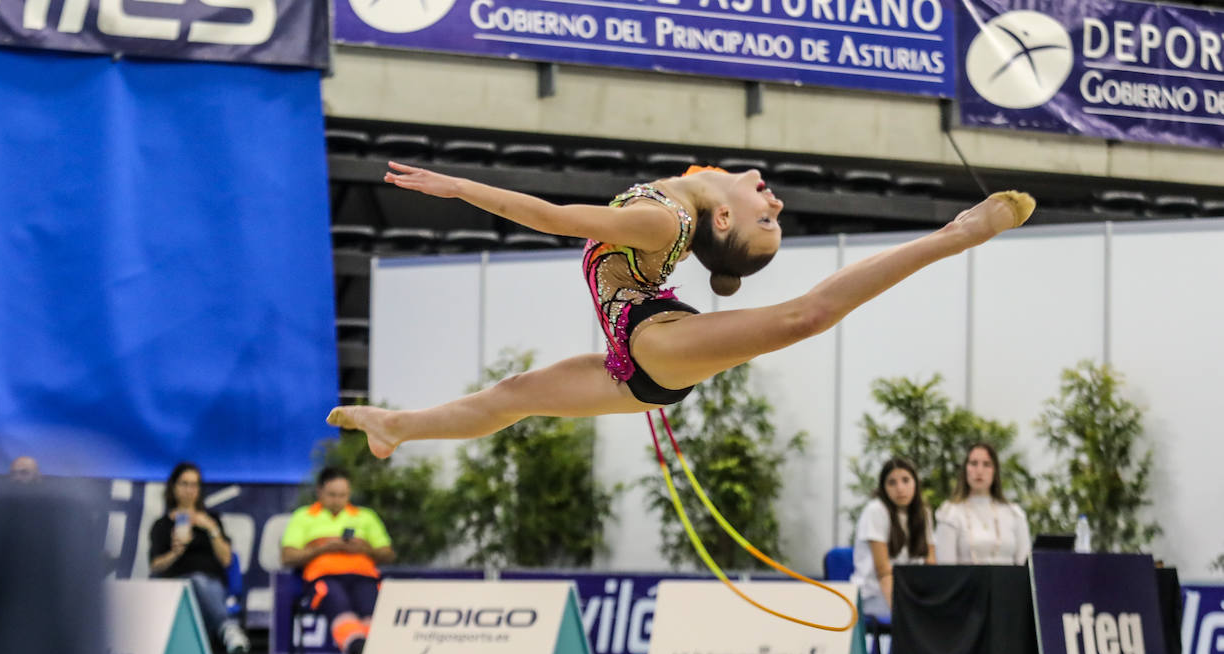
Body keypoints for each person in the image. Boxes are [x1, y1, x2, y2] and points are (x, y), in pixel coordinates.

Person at [327, 162, 1035, 457]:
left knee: (803, 317)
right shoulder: (692, 192)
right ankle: (396, 426)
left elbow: (548, 215)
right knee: (512, 397)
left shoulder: (664, 222)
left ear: (722, 217)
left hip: (653, 338)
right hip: (632, 359)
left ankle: (956, 234)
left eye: (765, 217)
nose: (776, 201)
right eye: (773, 213)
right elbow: (706, 181)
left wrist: (460, 188)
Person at [935, 442, 1033, 654]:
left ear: (995, 471)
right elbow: (946, 568)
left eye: (986, 464)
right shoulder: (950, 513)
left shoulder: (1014, 513)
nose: (979, 470)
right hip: (967, 599)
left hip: (1009, 599)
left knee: (1017, 617)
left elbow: (1024, 561)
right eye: (973, 463)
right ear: (965, 470)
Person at [851, 457, 937, 654]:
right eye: (892, 482)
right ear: (883, 487)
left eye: (905, 481)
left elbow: (931, 565)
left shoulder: (923, 512)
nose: (900, 488)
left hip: (910, 595)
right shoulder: (875, 511)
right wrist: (903, 612)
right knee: (914, 623)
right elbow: (883, 571)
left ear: (915, 484)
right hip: (874, 596)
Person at [280, 467, 395, 654]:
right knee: (337, 600)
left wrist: (363, 549)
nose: (337, 500)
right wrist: (323, 549)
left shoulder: (365, 516)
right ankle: (356, 648)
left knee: (371, 607)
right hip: (323, 578)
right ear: (319, 491)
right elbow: (287, 557)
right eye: (332, 495)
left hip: (364, 577)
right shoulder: (304, 516)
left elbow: (388, 554)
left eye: (343, 495)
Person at [148, 461, 249, 654]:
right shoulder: (162, 525)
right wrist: (175, 552)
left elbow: (227, 560)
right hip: (174, 590)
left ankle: (225, 629)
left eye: (194, 484)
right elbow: (155, 566)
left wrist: (211, 529)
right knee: (192, 582)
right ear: (174, 487)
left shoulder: (211, 520)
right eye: (184, 484)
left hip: (210, 586)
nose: (189, 490)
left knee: (198, 582)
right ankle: (227, 628)